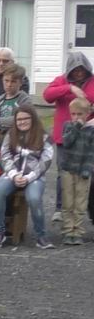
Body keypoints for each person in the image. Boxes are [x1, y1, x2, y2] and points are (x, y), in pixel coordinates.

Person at [0, 105, 55, 249]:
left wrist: (29, 177)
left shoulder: (44, 136)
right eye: (19, 119)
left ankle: (41, 236)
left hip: (35, 176)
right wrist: (13, 174)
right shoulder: (10, 135)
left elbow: (46, 161)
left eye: (26, 118)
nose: (22, 122)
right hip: (12, 174)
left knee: (34, 198)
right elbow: (4, 156)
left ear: (33, 119)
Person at [43, 52, 94, 221]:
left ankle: (84, 210)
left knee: (88, 173)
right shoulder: (61, 80)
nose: (79, 73)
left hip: (88, 135)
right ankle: (60, 208)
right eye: (75, 69)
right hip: (66, 135)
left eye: (82, 69)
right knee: (63, 172)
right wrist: (70, 88)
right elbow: (47, 95)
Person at [59, 98, 94, 245]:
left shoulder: (91, 131)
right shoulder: (68, 126)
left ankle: (77, 231)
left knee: (80, 203)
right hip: (68, 170)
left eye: (80, 114)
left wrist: (87, 169)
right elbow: (67, 142)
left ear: (88, 114)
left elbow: (91, 153)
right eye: (73, 114)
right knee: (68, 202)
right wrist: (76, 127)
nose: (76, 117)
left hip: (83, 172)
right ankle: (68, 231)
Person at [0, 64, 32, 130]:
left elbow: (21, 119)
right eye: (6, 81)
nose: (9, 85)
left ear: (21, 83)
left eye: (13, 81)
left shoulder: (25, 100)